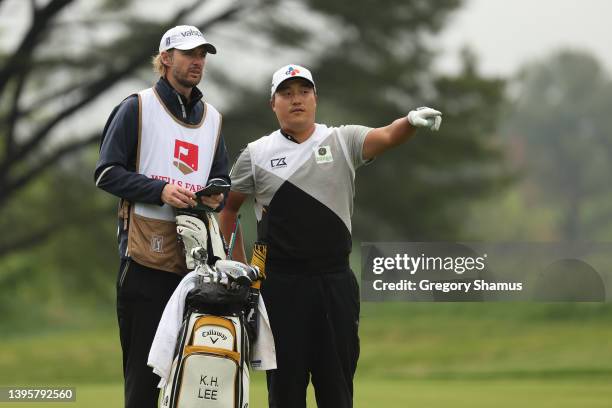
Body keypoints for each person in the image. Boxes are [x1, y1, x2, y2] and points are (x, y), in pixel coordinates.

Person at [219, 64, 442, 408]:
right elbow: (229, 210)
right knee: (286, 390)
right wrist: (236, 267)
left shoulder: (342, 139)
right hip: (280, 286)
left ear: (315, 99)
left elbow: (386, 135)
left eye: (303, 92)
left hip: (334, 282)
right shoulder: (256, 153)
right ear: (273, 104)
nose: (296, 100)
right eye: (287, 94)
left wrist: (410, 122)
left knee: (336, 387)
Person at [94, 25, 230, 407]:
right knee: (144, 378)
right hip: (144, 260)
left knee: (193, 374)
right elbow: (106, 172)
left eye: (202, 55)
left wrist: (215, 192)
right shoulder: (137, 106)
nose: (198, 62)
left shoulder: (215, 119)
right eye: (189, 54)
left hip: (195, 264)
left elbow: (220, 173)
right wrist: (160, 190)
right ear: (166, 59)